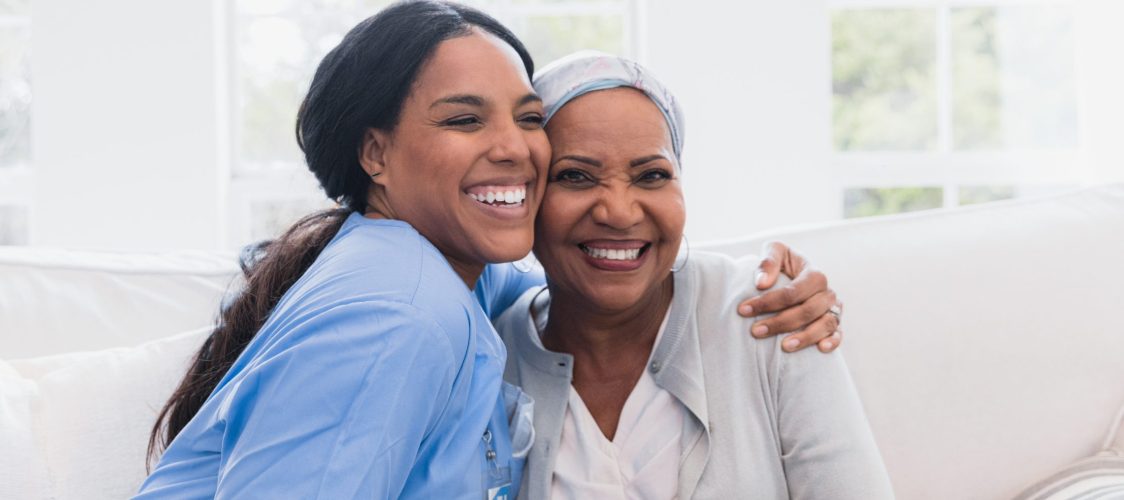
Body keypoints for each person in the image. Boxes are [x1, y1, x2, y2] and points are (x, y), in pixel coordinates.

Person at [139, 2, 842, 498]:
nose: (512, 147)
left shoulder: (457, 279)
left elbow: (586, 269)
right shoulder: (398, 315)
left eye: (527, 118)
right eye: (465, 119)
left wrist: (749, 282)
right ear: (374, 152)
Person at [493, 52, 894, 499]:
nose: (619, 212)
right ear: (524, 195)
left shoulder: (771, 318)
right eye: (576, 176)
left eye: (651, 175)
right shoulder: (488, 359)